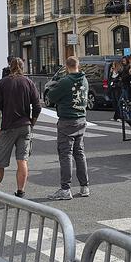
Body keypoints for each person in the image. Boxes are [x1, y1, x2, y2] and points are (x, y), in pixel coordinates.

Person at [0, 58, 41, 198]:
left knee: (0, 163)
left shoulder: (3, 83)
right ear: (23, 68)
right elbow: (37, 107)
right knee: (22, 161)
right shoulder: (29, 83)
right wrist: (32, 122)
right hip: (25, 126)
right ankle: (20, 192)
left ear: (9, 68)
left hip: (8, 127)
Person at [46, 56, 90, 200]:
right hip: (81, 119)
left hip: (67, 120)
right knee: (79, 153)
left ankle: (65, 188)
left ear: (66, 66)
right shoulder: (84, 80)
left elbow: (51, 96)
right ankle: (84, 186)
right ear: (78, 66)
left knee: (65, 154)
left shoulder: (65, 81)